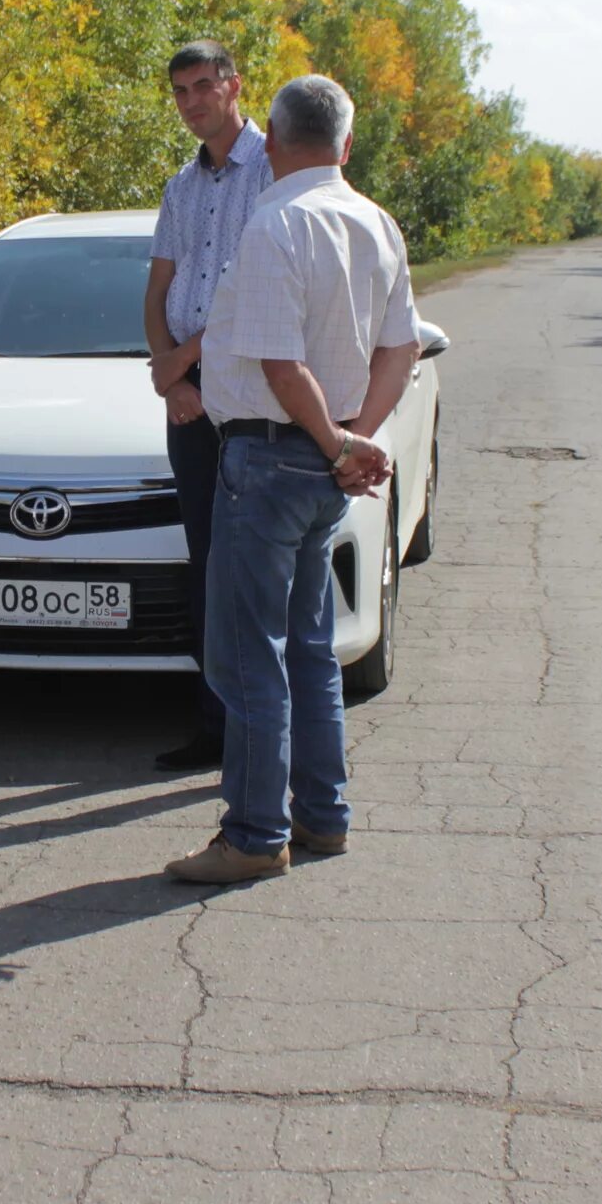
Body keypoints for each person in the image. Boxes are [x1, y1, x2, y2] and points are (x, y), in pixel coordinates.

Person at [167, 75, 421, 885]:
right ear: (346, 146)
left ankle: (251, 835)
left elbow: (281, 365)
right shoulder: (376, 223)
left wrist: (340, 439)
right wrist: (356, 440)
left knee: (248, 658)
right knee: (310, 648)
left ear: (271, 142)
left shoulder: (277, 223)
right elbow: (401, 349)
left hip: (272, 459)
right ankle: (321, 814)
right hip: (321, 466)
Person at [142, 39, 270, 774]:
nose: (192, 102)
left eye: (203, 86)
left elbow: (260, 293)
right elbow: (158, 291)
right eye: (180, 91)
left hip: (251, 398)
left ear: (233, 86)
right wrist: (170, 380)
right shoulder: (179, 187)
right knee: (207, 566)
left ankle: (260, 735)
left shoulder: (275, 172)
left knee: (250, 572)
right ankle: (213, 730)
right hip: (189, 406)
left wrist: (181, 362)